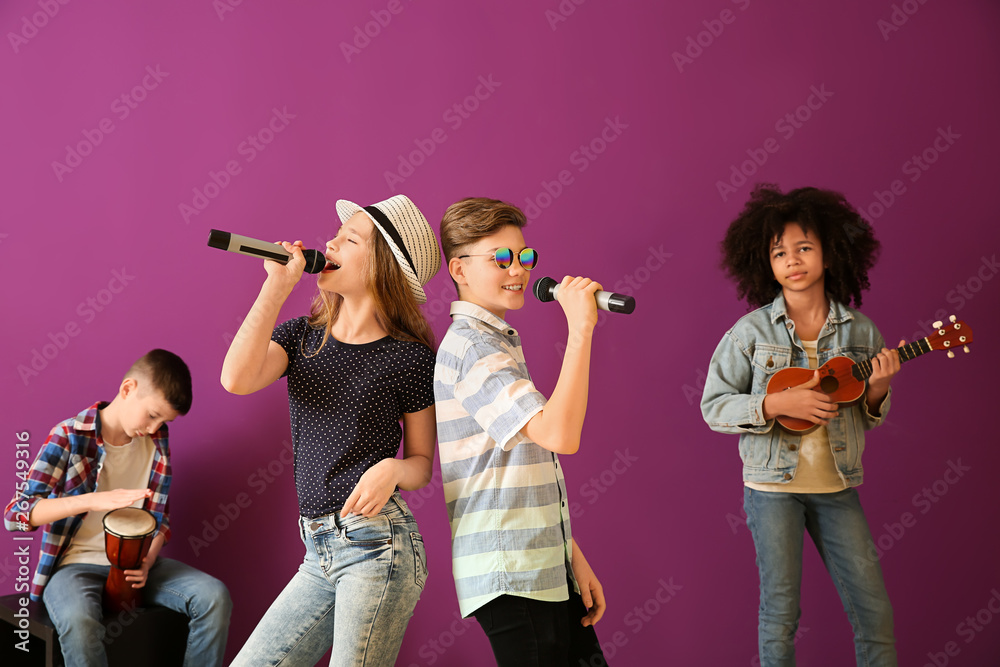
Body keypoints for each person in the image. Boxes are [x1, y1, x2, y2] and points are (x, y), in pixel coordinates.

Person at [222, 194, 440, 666]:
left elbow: (422, 465)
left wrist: (393, 468)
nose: (330, 241)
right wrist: (274, 290)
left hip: (378, 546)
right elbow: (236, 379)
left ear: (383, 264)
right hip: (318, 549)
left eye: (349, 238)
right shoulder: (302, 335)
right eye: (335, 234)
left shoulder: (411, 358)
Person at [701, 184, 905, 666]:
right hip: (772, 489)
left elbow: (867, 415)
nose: (792, 260)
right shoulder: (750, 333)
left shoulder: (861, 331)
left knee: (874, 611)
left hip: (837, 484)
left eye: (805, 248)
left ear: (830, 254)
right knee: (781, 611)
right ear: (764, 264)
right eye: (779, 252)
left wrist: (877, 391)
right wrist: (774, 402)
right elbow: (714, 407)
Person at [434, 197, 608, 666]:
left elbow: (515, 468)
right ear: (460, 269)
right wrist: (581, 329)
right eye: (502, 259)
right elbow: (559, 436)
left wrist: (568, 553)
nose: (519, 270)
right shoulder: (473, 348)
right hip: (512, 571)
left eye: (525, 257)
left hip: (543, 564)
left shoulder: (495, 341)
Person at [4, 349, 232, 667]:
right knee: (79, 622)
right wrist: (90, 500)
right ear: (127, 389)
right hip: (74, 566)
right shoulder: (68, 436)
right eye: (152, 415)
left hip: (137, 564)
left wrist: (148, 560)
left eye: (164, 421)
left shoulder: (157, 442)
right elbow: (15, 514)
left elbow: (159, 519)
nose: (154, 428)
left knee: (214, 596)